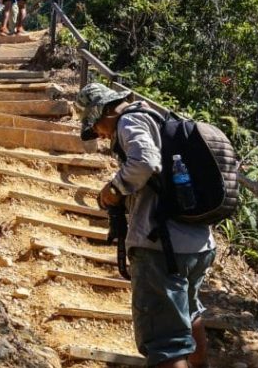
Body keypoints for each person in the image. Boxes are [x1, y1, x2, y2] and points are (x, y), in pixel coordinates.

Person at [76, 83, 216, 368]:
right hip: (197, 242)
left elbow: (144, 161)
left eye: (97, 129)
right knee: (189, 315)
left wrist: (113, 190)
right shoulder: (160, 119)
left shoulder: (129, 120)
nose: (101, 136)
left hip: (161, 247)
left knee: (166, 342)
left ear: (102, 113)